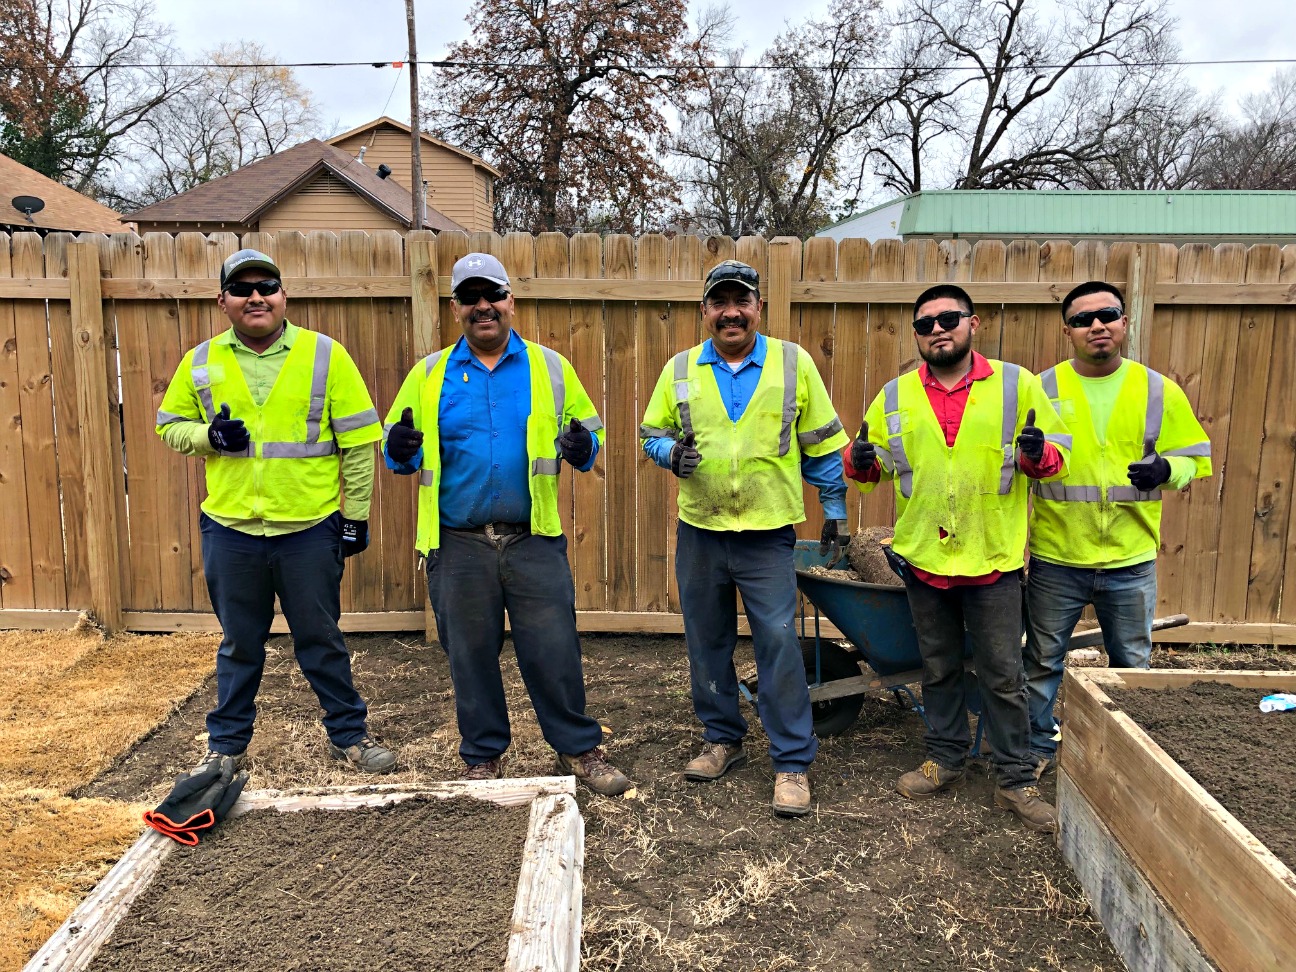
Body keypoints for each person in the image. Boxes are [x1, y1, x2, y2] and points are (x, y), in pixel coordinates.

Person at [382, 252, 630, 796]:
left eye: (491, 294)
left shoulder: (550, 368)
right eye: (470, 298)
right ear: (456, 309)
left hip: (532, 539)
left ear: (510, 301)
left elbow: (591, 436)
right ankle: (483, 757)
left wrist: (585, 447)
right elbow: (396, 450)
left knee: (554, 648)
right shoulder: (429, 375)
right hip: (457, 542)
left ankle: (579, 749)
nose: (482, 306)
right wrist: (396, 449)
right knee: (469, 654)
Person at [156, 248, 396, 774]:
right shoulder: (200, 361)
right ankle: (225, 748)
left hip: (308, 530)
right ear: (223, 302)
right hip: (231, 528)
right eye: (242, 289)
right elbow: (168, 425)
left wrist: (354, 517)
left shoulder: (325, 355)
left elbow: (358, 443)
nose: (256, 296)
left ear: (284, 295)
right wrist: (208, 436)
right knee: (240, 644)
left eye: (267, 285)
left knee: (321, 638)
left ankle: (349, 736)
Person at [844, 283, 1069, 832]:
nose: (938, 330)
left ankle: (1015, 779)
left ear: (973, 324)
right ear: (918, 335)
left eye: (949, 318)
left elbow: (1055, 461)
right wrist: (860, 459)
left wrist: (1039, 455)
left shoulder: (1018, 385)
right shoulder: (895, 396)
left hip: (992, 558)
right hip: (925, 558)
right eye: (925, 324)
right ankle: (945, 759)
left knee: (1002, 672)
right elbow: (867, 469)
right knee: (938, 667)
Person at [640, 260, 850, 818]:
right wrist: (671, 456)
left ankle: (791, 763)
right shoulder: (681, 369)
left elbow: (823, 443)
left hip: (767, 533)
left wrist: (834, 508)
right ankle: (722, 739)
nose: (731, 312)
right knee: (706, 639)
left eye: (742, 301)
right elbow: (651, 436)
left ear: (759, 306)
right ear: (705, 310)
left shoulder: (792, 363)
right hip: (702, 530)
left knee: (778, 644)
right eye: (719, 302)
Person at [1024, 281, 1211, 774]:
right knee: (1042, 664)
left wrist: (1167, 471)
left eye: (1107, 314)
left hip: (1130, 559)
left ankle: (1129, 760)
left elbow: (1196, 458)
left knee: (1132, 667)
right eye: (1083, 319)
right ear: (1068, 331)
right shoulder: (1042, 389)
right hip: (1057, 556)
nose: (1097, 325)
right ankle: (1038, 750)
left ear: (1124, 322)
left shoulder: (1155, 389)